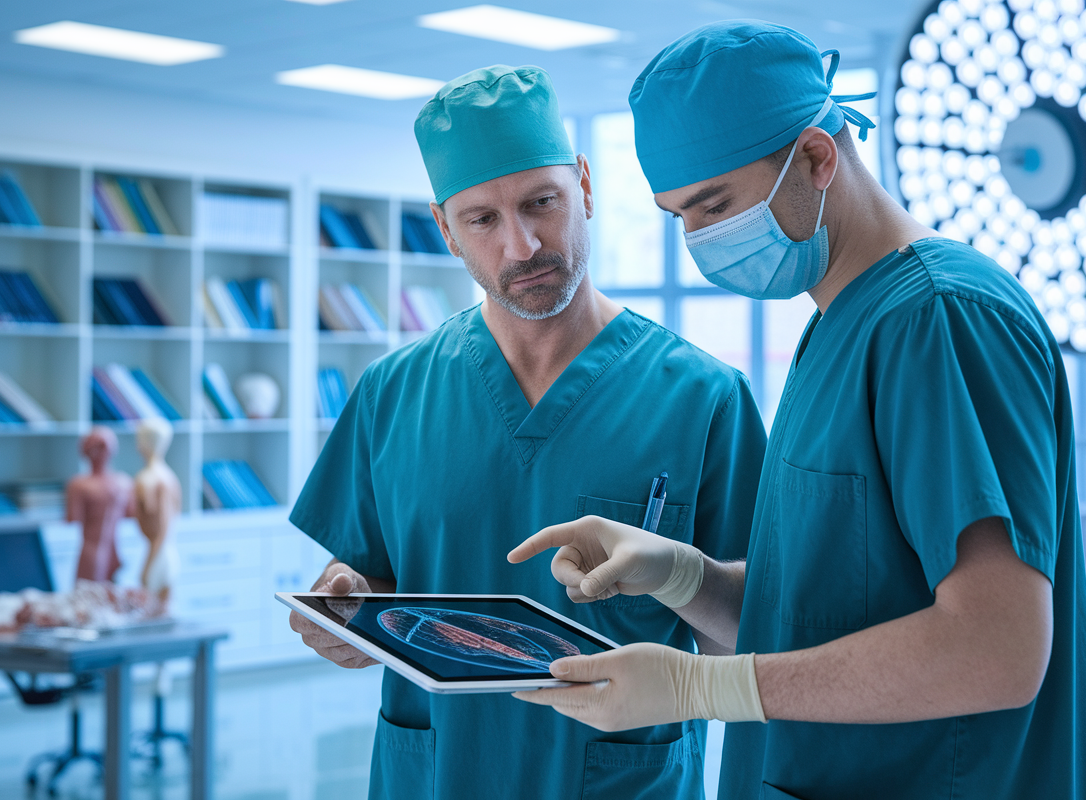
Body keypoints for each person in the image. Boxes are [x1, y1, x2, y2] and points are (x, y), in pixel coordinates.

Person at [510, 21, 1086, 799]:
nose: (699, 238)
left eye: (714, 204)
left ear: (819, 158)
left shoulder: (939, 319)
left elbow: (996, 648)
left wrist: (703, 689)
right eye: (679, 216)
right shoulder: (838, 323)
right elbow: (827, 622)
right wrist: (686, 577)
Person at [287, 64, 767, 800]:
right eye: (482, 219)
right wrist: (348, 605)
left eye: (543, 202)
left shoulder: (705, 398)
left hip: (620, 779)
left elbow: (753, 637)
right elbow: (373, 581)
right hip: (433, 775)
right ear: (445, 228)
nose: (522, 246)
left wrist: (676, 577)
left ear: (585, 184)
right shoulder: (393, 392)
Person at [67, 426, 133, 584]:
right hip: (97, 552)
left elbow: (71, 519)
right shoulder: (123, 483)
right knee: (92, 598)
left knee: (107, 599)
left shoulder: (80, 485)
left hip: (110, 551)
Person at [133, 417, 181, 611]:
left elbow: (162, 526)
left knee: (154, 614)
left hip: (159, 553)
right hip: (166, 551)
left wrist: (148, 565)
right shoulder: (170, 476)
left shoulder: (150, 480)